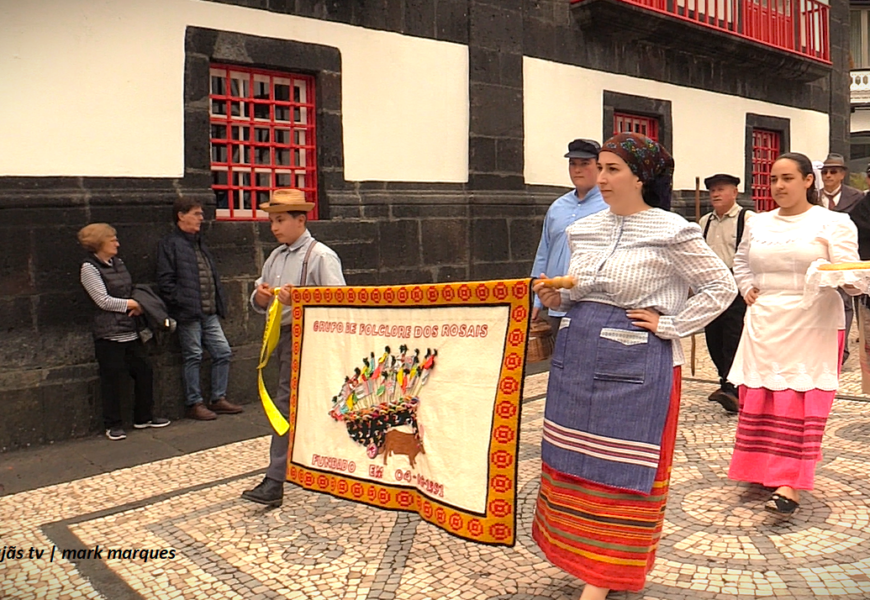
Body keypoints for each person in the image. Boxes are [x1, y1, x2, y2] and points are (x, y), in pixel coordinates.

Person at [532, 133, 736, 599]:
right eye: (599, 168)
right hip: (578, 353)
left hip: (636, 362)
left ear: (640, 176)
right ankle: (580, 557)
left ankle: (604, 576)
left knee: (624, 468)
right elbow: (577, 290)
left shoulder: (671, 231)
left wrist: (672, 323)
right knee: (575, 459)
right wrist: (557, 296)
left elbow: (720, 288)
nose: (600, 177)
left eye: (612, 169)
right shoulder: (584, 229)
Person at [728, 152, 863, 515]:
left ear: (808, 181)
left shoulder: (834, 223)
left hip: (812, 322)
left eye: (787, 178)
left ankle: (791, 483)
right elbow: (742, 261)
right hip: (765, 320)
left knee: (799, 401)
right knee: (761, 395)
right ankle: (760, 468)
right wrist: (746, 287)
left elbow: (852, 275)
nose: (779, 186)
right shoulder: (757, 222)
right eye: (773, 179)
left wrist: (833, 276)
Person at [241, 189, 346, 507]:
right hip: (283, 337)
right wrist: (260, 296)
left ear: (301, 220)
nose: (274, 227)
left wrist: (299, 299)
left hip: (311, 340)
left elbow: (340, 302)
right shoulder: (276, 256)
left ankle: (275, 479)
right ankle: (315, 465)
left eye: (281, 220)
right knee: (300, 405)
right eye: (272, 220)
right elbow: (260, 300)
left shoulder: (320, 256)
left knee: (288, 405)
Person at [78, 223, 170, 441]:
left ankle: (143, 416)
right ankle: (113, 423)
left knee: (144, 371)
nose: (117, 243)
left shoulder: (118, 263)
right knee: (112, 378)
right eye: (112, 240)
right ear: (100, 243)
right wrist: (132, 305)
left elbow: (129, 288)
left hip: (130, 329)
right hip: (108, 333)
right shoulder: (89, 268)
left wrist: (137, 304)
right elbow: (102, 300)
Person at [157, 198, 243, 421]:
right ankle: (194, 402)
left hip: (208, 310)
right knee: (193, 355)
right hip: (188, 312)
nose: (201, 218)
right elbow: (165, 281)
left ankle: (218, 398)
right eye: (196, 214)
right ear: (181, 216)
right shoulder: (171, 244)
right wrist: (182, 301)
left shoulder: (199, 243)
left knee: (223, 352)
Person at [530, 138, 607, 331]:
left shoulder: (609, 205)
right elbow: (543, 253)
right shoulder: (557, 207)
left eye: (584, 164)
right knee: (557, 359)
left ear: (599, 167)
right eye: (572, 164)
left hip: (591, 303)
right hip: (555, 303)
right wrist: (535, 301)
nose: (577, 170)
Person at [698, 174, 755, 413]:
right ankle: (725, 380)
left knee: (734, 337)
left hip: (738, 286)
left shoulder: (748, 219)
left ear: (734, 192)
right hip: (712, 288)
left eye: (721, 190)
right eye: (712, 191)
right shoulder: (704, 222)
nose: (716, 194)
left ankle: (734, 388)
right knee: (714, 337)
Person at [819, 152, 863, 364]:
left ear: (842, 174)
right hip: (819, 259)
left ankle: (841, 351)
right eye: (825, 172)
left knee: (845, 303)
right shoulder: (813, 198)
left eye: (833, 171)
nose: (828, 175)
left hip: (845, 257)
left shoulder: (856, 197)